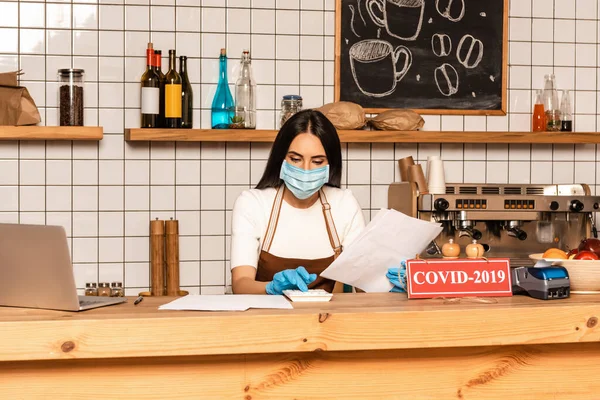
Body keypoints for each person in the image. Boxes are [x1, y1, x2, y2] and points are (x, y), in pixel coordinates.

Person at [230, 110, 366, 294]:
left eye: (317, 161)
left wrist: (393, 282)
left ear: (330, 165)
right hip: (266, 320)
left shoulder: (344, 204)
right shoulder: (252, 204)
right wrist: (272, 288)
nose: (306, 170)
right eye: (295, 159)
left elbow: (362, 283)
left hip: (328, 320)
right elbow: (241, 285)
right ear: (281, 159)